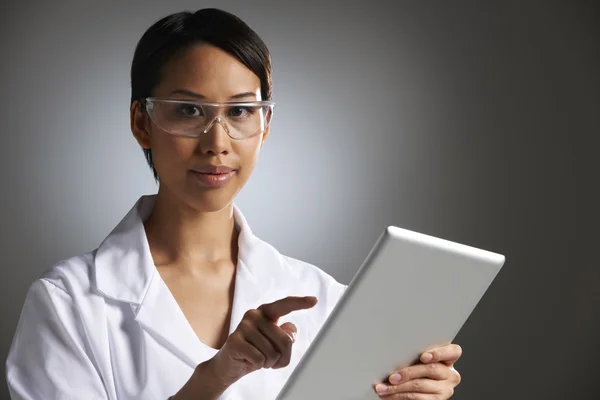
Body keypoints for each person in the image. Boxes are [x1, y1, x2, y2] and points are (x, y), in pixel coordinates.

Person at [5, 8, 462, 400]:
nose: (217, 143)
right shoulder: (68, 305)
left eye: (241, 111)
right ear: (141, 122)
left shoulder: (327, 305)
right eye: (188, 110)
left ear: (265, 126)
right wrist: (212, 381)